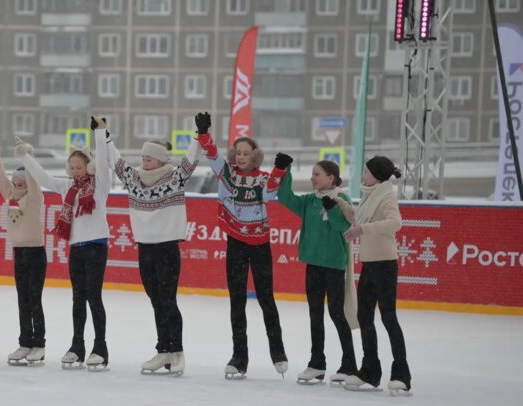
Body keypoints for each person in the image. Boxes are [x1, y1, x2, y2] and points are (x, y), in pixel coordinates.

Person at [194, 112, 289, 379]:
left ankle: (277, 350)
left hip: (259, 244)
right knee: (237, 302)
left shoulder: (263, 179)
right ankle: (239, 357)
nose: (240, 157)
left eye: (246, 153)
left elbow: (271, 192)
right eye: (238, 152)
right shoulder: (227, 174)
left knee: (266, 299)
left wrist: (281, 169)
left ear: (255, 156)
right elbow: (212, 155)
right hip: (235, 242)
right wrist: (204, 133)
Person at [103, 124, 201, 376]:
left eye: (148, 157)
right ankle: (164, 350)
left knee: (167, 300)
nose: (143, 160)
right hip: (144, 247)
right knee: (156, 300)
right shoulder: (133, 180)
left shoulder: (175, 178)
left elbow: (190, 161)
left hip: (167, 247)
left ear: (160, 159)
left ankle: (177, 351)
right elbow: (116, 161)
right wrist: (103, 135)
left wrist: (199, 135)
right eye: (143, 157)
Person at [19, 116, 112, 370]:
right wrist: (25, 156)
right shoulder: (68, 189)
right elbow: (43, 178)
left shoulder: (100, 185)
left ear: (88, 166)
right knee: (77, 298)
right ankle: (77, 345)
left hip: (96, 246)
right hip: (77, 249)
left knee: (94, 297)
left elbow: (103, 161)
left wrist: (100, 133)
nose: (74, 171)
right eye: (71, 167)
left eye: (79, 166)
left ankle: (100, 347)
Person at [277, 160, 359, 385]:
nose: (313, 178)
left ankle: (349, 363)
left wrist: (332, 208)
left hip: (333, 265)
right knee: (315, 314)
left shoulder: (341, 199)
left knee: (336, 313)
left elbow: (343, 226)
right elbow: (285, 198)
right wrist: (286, 172)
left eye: (317, 174)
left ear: (331, 177)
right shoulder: (309, 201)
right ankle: (317, 363)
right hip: (313, 263)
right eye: (313, 174)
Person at [341, 156, 412, 396]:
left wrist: (364, 229)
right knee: (364, 316)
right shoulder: (370, 196)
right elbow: (357, 217)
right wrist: (338, 202)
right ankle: (370, 370)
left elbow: (395, 222)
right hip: (369, 264)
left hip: (385, 264)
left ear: (377, 175)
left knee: (388, 317)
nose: (363, 175)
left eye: (366, 172)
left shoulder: (387, 196)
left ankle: (401, 373)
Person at [0, 151, 46, 366]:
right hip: (19, 253)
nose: (16, 185)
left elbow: (34, 180)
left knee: (34, 300)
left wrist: (27, 156)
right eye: (14, 182)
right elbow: (0, 177)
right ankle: (25, 341)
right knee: (22, 300)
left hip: (35, 253)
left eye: (21, 182)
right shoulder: (11, 197)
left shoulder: (34, 198)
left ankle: (39, 344)